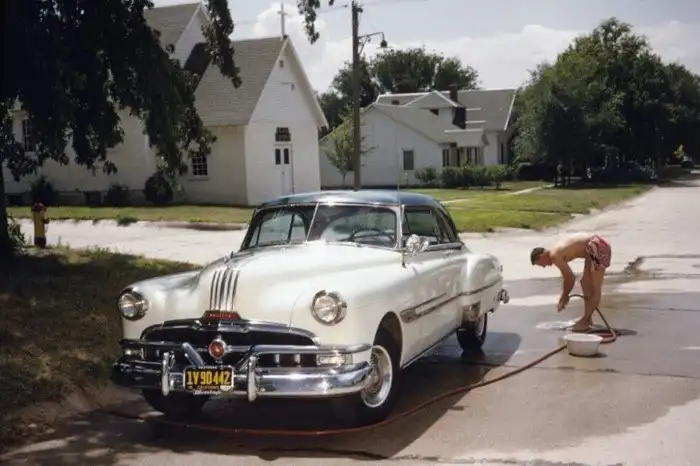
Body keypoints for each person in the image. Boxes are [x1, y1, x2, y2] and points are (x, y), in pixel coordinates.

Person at [530, 233, 612, 332]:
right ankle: (588, 320)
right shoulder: (555, 252)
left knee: (595, 288)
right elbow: (568, 278)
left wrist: (564, 296)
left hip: (597, 246)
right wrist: (565, 295)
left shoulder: (554, 255)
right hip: (590, 250)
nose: (544, 267)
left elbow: (570, 278)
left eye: (541, 264)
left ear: (541, 256)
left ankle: (584, 321)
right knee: (585, 283)